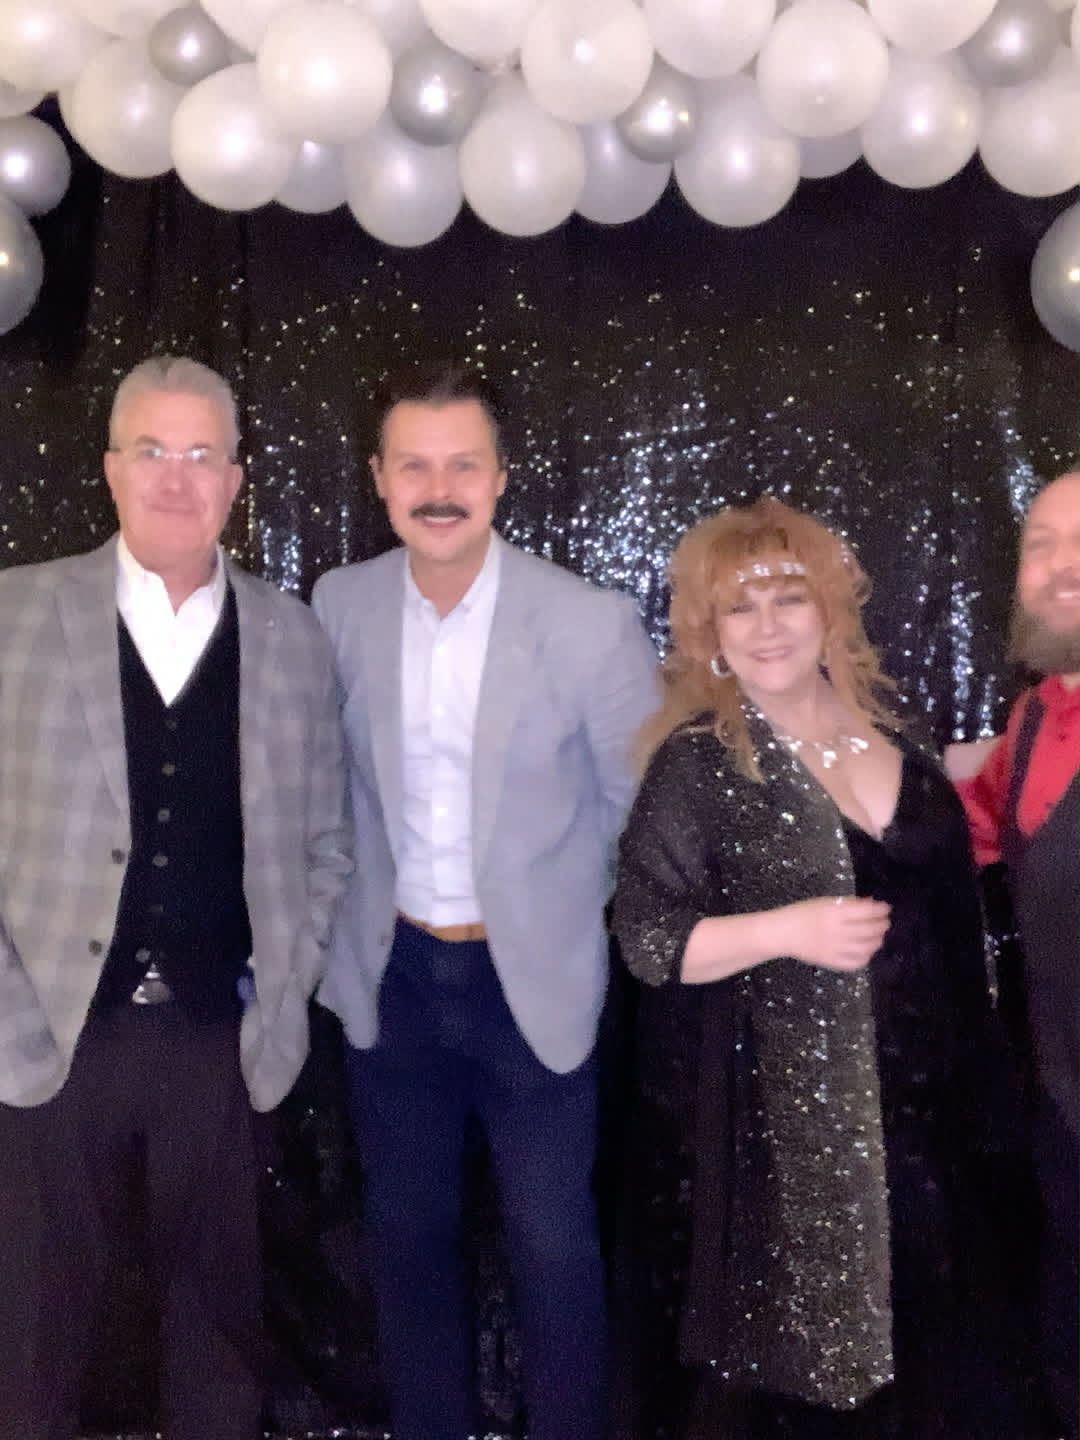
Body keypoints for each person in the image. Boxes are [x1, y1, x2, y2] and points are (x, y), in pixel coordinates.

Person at [612, 496, 1021, 1440]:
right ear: (710, 633)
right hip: (785, 1135)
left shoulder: (895, 731)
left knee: (928, 1354)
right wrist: (785, 928)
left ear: (829, 609)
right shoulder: (701, 763)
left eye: (787, 597)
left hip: (925, 1123)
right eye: (740, 606)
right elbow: (646, 937)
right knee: (806, 1379)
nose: (767, 626)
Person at [0, 355, 353, 1440]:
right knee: (31, 1338)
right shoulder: (13, 613)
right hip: (46, 1036)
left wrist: (282, 983)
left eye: (202, 454)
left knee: (219, 1339)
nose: (175, 476)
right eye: (151, 449)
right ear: (110, 467)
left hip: (217, 1038)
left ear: (236, 479)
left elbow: (327, 843)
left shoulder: (292, 637)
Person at [311, 367, 658, 1440]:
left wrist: (564, 918)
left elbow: (640, 813)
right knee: (407, 1241)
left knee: (554, 1247)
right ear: (379, 479)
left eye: (463, 464)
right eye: (414, 465)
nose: (439, 488)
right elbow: (322, 785)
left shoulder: (589, 623)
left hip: (533, 988)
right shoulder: (338, 606)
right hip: (393, 979)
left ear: (502, 478)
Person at [948, 470, 1080, 1440]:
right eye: (1042, 543)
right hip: (1065, 1105)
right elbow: (963, 830)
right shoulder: (1035, 717)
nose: (1062, 566)